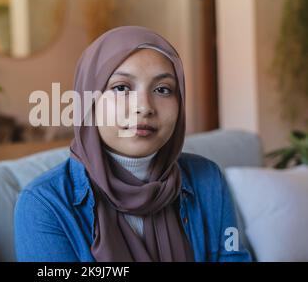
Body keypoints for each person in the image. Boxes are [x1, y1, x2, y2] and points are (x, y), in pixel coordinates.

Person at [14, 26, 251, 262]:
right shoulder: (44, 204)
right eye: (121, 88)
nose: (145, 106)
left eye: (162, 89)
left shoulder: (207, 180)